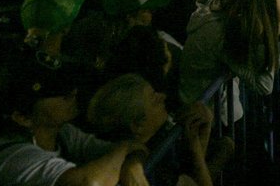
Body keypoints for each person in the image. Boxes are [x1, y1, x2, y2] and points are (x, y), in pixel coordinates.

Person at [0, 54, 149, 186]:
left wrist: (133, 166)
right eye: (55, 92)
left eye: (65, 85)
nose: (71, 93)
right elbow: (89, 183)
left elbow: (137, 149)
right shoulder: (12, 157)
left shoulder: (63, 133)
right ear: (23, 117)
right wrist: (124, 149)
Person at [179, 0, 280, 111]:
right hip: (205, 113)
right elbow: (265, 85)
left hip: (204, 104)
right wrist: (277, 28)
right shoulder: (221, 30)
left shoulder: (223, 5)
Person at [87, 73, 222, 186]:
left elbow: (190, 173)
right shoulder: (152, 169)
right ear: (137, 125)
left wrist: (202, 133)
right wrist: (196, 148)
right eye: (154, 100)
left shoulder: (158, 139)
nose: (163, 96)